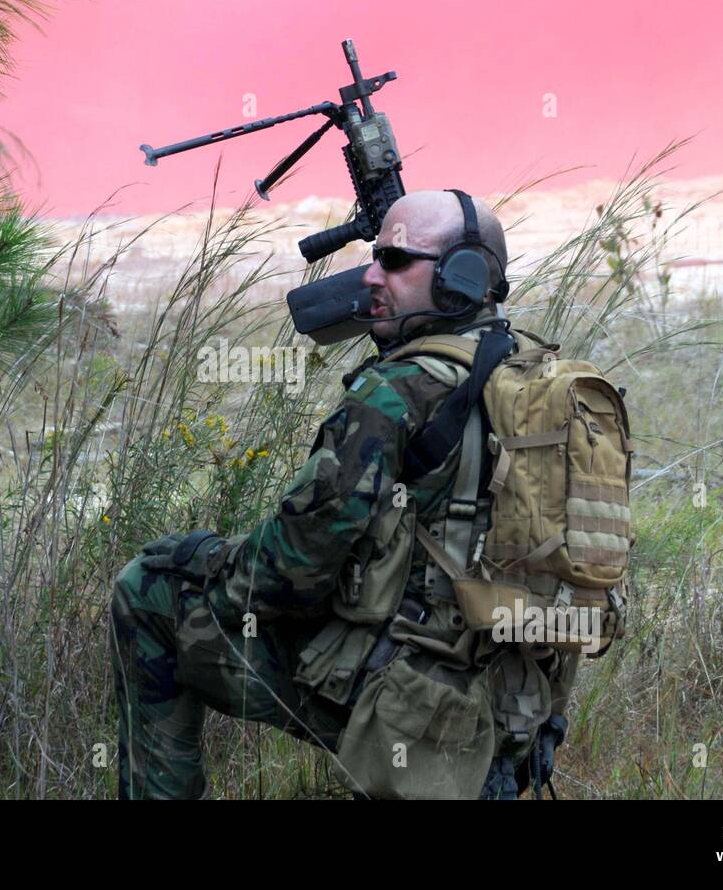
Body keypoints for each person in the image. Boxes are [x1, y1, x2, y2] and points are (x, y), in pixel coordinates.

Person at [109, 190, 577, 799]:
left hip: (413, 700)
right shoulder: (541, 378)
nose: (371, 275)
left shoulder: (395, 394)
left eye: (394, 259)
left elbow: (284, 574)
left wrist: (197, 556)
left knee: (149, 591)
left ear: (460, 276)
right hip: (517, 698)